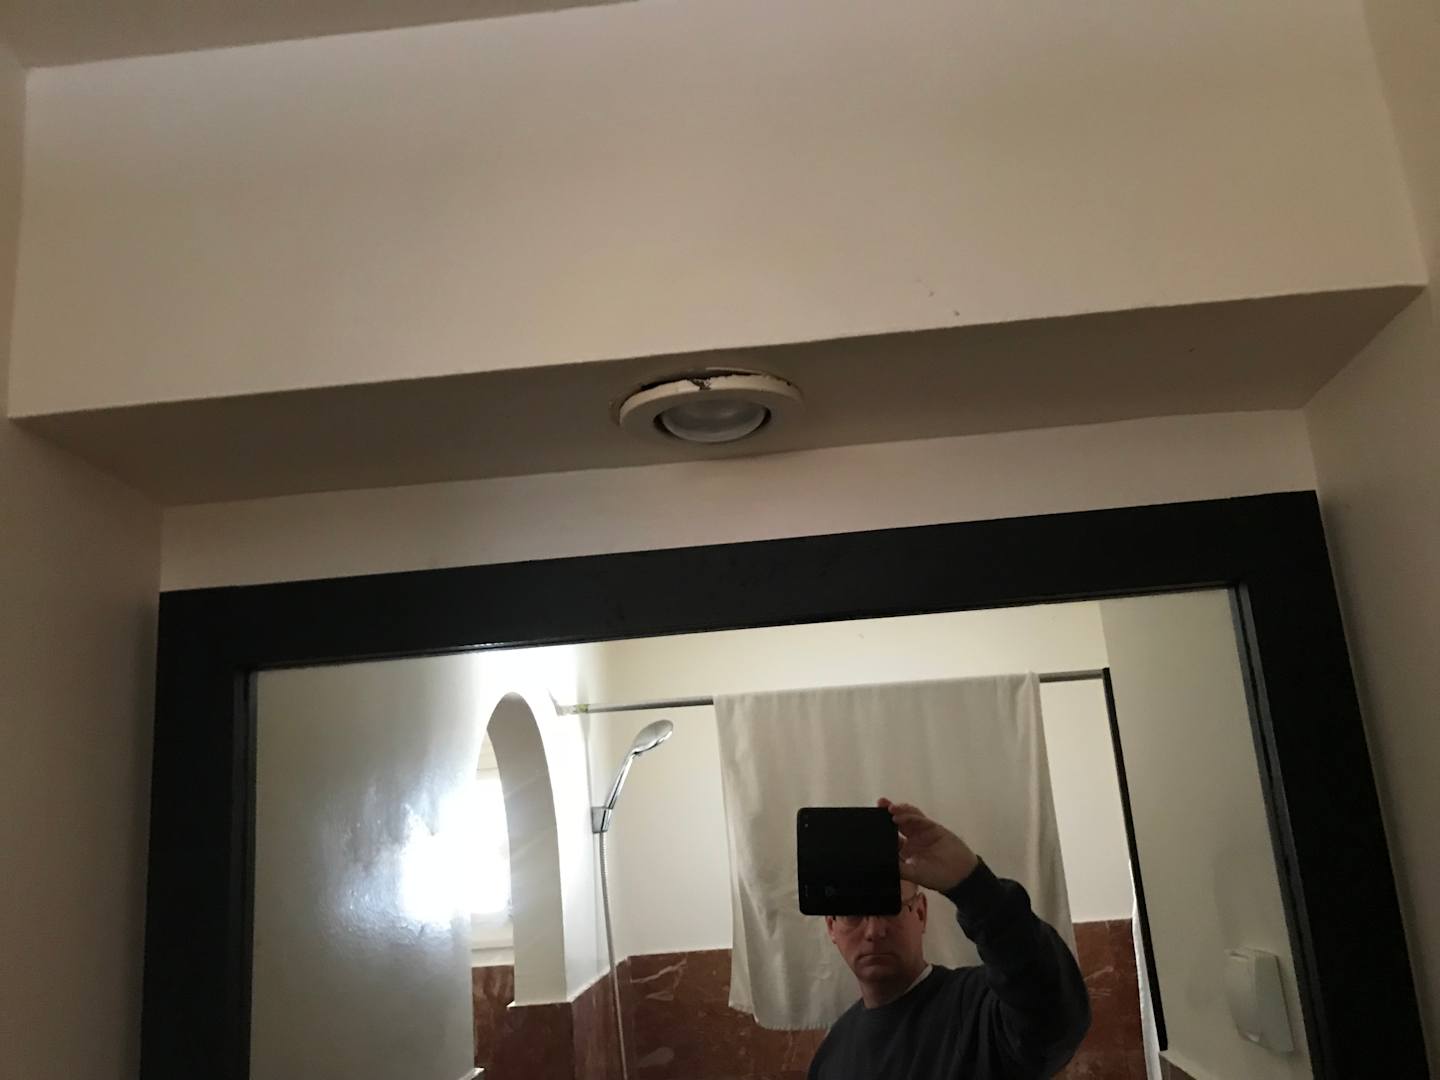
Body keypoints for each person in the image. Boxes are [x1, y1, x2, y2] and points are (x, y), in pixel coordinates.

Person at [807, 797, 1090, 1079]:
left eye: (891, 908)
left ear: (920, 913)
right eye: (853, 914)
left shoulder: (980, 1009)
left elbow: (1054, 1019)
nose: (873, 931)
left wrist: (972, 884)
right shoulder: (831, 1056)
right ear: (831, 926)